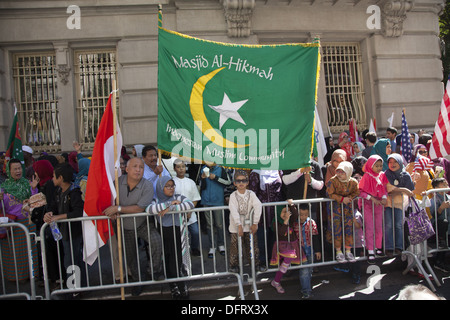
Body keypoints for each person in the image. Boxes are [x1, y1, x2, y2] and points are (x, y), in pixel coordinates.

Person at [103, 157, 163, 296]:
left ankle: (153, 271)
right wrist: (111, 211)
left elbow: (140, 208)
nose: (138, 170)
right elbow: (109, 202)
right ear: (127, 169)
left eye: (141, 167)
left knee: (156, 241)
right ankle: (137, 281)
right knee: (130, 256)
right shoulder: (117, 183)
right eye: (135, 166)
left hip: (143, 223)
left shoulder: (147, 185)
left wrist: (118, 209)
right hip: (124, 226)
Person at [146, 175, 195, 299]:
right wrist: (168, 204)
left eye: (172, 185)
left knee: (177, 259)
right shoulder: (156, 200)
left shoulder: (178, 197)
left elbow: (190, 205)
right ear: (161, 187)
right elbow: (150, 210)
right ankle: (173, 285)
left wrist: (171, 207)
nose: (171, 188)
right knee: (167, 259)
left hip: (178, 232)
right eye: (167, 186)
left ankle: (181, 284)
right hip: (164, 233)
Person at [43, 163, 85, 291]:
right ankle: (73, 287)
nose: (52, 179)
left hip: (74, 232)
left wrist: (58, 217)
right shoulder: (58, 192)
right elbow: (53, 207)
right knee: (69, 259)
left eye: (54, 176)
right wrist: (50, 213)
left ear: (60, 178)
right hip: (64, 232)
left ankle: (75, 289)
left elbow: (78, 212)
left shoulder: (74, 192)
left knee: (73, 260)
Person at [0, 158, 40, 282]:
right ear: (8, 171)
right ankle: (18, 277)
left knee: (31, 251)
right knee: (16, 254)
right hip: (14, 226)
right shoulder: (4, 188)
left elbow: (36, 203)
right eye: (15, 169)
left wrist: (33, 189)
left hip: (28, 223)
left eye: (19, 168)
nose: (18, 171)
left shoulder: (27, 184)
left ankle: (33, 275)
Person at [228, 170, 262, 273]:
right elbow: (233, 210)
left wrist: (255, 222)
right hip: (236, 227)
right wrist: (238, 225)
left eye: (243, 181)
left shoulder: (251, 194)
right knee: (235, 246)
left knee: (252, 245)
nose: (241, 183)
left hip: (249, 225)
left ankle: (255, 264)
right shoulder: (233, 196)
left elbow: (258, 206)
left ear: (247, 182)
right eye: (238, 181)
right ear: (234, 183)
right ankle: (234, 266)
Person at [248, 169, 283, 269]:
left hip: (276, 209)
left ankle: (273, 259)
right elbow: (253, 194)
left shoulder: (278, 171)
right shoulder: (255, 173)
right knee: (262, 236)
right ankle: (262, 261)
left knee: (274, 234)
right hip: (261, 210)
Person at [326, 161, 359, 263]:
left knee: (348, 228)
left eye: (342, 172)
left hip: (348, 209)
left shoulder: (353, 182)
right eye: (338, 171)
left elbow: (357, 191)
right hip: (335, 209)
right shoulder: (333, 181)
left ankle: (348, 250)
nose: (339, 174)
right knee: (337, 229)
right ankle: (338, 251)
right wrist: (341, 199)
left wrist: (349, 198)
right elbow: (329, 193)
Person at [358, 155, 388, 263]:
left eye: (381, 165)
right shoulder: (366, 176)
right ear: (371, 165)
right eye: (377, 165)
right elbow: (360, 191)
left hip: (379, 205)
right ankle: (370, 250)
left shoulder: (382, 175)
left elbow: (384, 188)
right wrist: (371, 198)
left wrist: (384, 198)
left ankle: (377, 247)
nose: (379, 168)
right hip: (368, 205)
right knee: (369, 227)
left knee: (379, 227)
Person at [384, 154, 415, 255]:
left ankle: (399, 247)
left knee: (399, 225)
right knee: (388, 225)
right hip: (388, 204)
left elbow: (411, 190)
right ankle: (389, 247)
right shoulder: (386, 174)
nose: (392, 164)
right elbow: (389, 190)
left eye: (395, 162)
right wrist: (403, 190)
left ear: (400, 162)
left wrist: (399, 191)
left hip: (400, 204)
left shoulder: (405, 175)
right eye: (390, 162)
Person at [269, 200, 302, 294]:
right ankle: (278, 279)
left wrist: (292, 205)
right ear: (278, 212)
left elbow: (295, 215)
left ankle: (276, 281)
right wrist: (286, 221)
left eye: (287, 211)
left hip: (291, 244)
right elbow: (281, 232)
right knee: (285, 261)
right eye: (283, 212)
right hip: (282, 246)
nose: (286, 214)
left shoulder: (291, 220)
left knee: (284, 264)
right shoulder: (276, 222)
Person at [200, 162, 232, 258]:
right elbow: (201, 186)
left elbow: (228, 182)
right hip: (206, 200)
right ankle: (212, 246)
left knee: (219, 224)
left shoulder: (220, 169)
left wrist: (216, 178)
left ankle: (221, 245)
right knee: (209, 225)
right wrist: (203, 179)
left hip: (218, 200)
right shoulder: (202, 169)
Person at [172, 159, 202, 256]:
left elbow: (195, 198)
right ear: (174, 169)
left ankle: (194, 248)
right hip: (177, 214)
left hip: (190, 214)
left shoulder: (191, 182)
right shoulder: (172, 182)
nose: (181, 169)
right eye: (178, 167)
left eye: (183, 167)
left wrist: (189, 211)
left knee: (195, 232)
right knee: (180, 235)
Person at [297, 203, 321, 299]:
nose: (303, 217)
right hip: (300, 250)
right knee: (304, 271)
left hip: (310, 249)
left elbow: (315, 237)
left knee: (309, 269)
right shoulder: (294, 223)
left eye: (305, 214)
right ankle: (306, 291)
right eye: (301, 214)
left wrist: (318, 250)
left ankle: (306, 286)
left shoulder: (311, 222)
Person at [430, 177, 450, 272]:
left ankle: (442, 262)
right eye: (443, 185)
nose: (446, 186)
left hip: (448, 227)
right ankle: (438, 262)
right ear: (436, 187)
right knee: (443, 223)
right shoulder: (434, 199)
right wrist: (441, 208)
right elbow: (434, 215)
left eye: (446, 184)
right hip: (439, 226)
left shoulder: (448, 197)